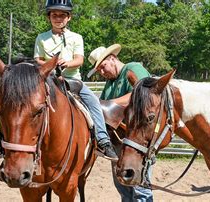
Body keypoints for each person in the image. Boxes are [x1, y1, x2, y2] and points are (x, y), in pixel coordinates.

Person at [33, 0, 117, 160]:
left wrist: (67, 63)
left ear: (69, 17)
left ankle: (103, 140)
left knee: (93, 102)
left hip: (72, 81)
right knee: (20, 100)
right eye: (54, 15)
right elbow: (37, 60)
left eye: (62, 15)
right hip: (48, 79)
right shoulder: (41, 38)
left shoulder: (76, 37)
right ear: (48, 17)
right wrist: (50, 65)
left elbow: (79, 60)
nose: (58, 18)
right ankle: (1, 144)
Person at [88, 43, 153, 202]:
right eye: (99, 71)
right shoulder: (110, 82)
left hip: (137, 141)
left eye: (103, 67)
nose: (102, 72)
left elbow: (143, 94)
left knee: (139, 187)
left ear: (112, 58)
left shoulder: (133, 68)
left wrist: (110, 103)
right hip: (119, 142)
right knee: (123, 186)